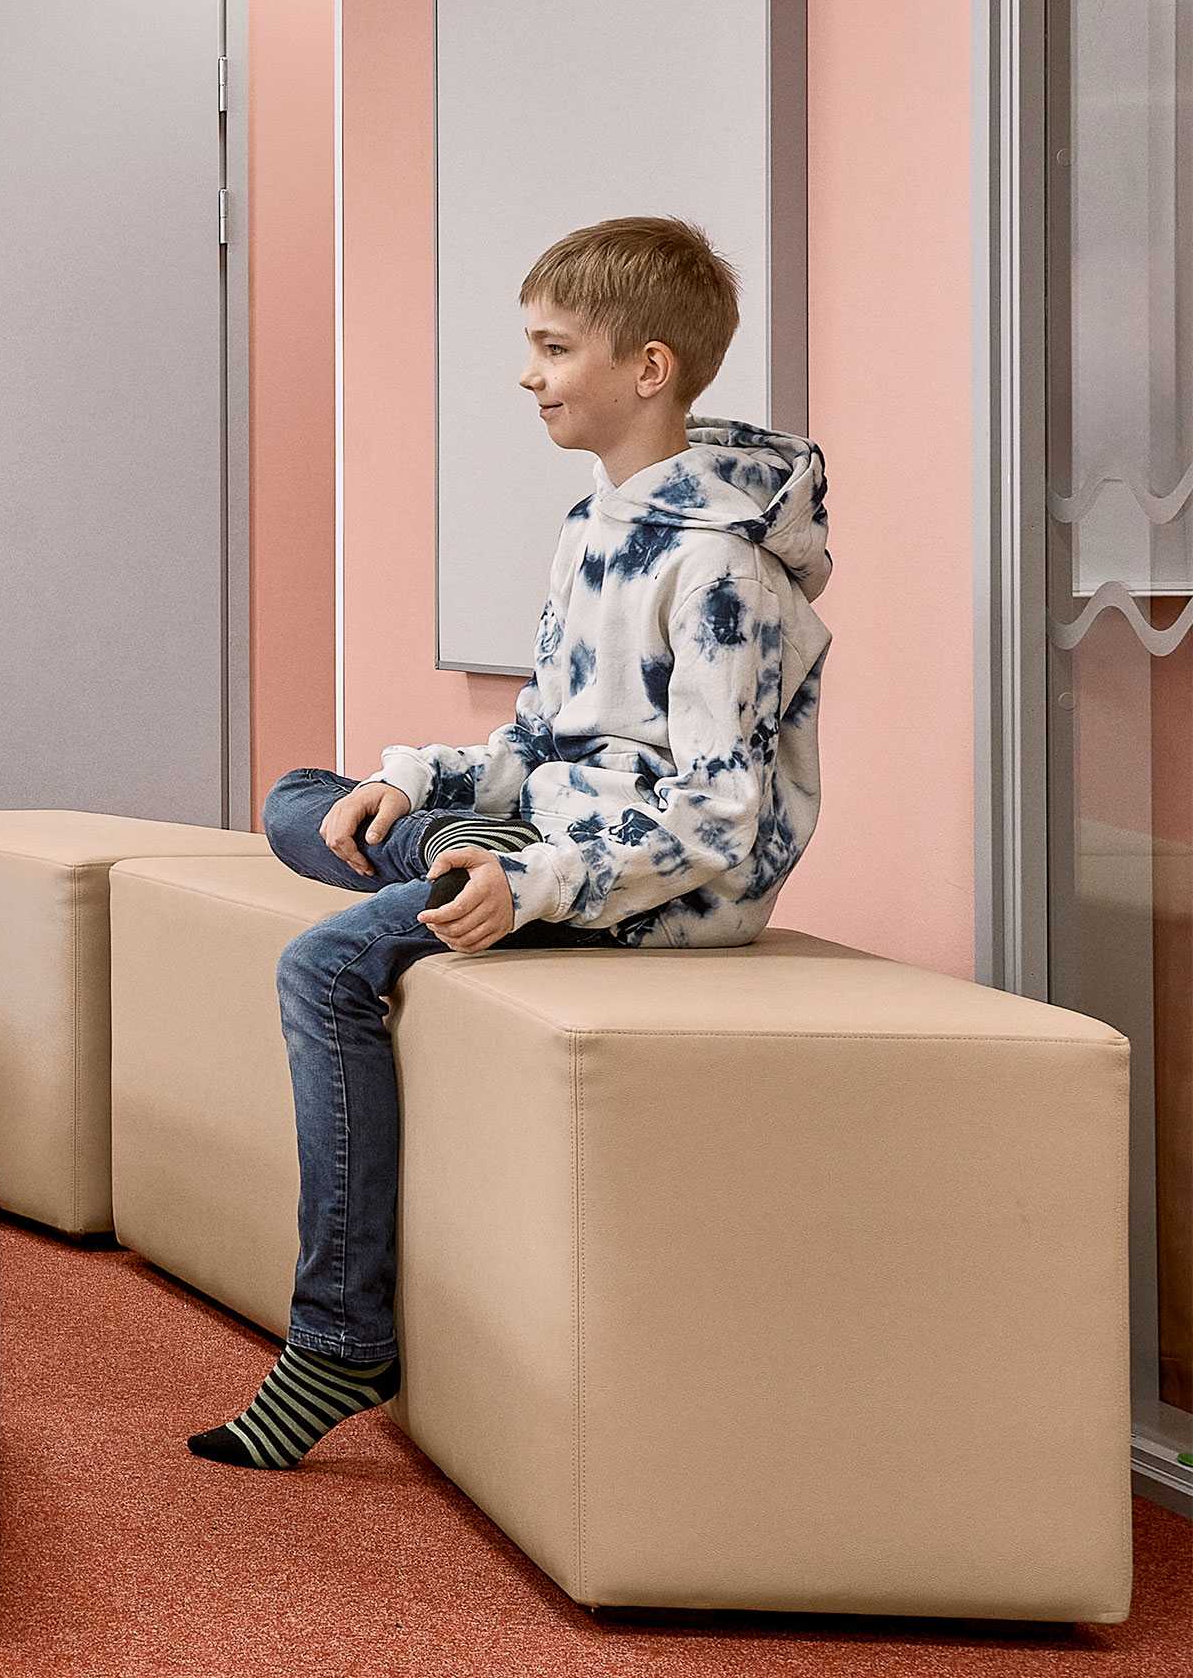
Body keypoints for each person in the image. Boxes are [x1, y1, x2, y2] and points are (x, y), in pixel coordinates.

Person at [192, 217, 832, 1469]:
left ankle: (337, 1339)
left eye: (552, 349)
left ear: (647, 369)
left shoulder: (723, 577)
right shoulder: (593, 527)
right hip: (561, 825)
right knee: (297, 800)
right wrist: (416, 781)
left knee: (323, 970)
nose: (528, 374)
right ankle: (448, 841)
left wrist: (537, 877)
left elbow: (720, 823)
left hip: (664, 886)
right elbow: (547, 731)